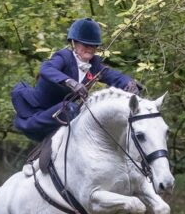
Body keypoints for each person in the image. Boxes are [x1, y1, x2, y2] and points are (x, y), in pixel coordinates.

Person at [11, 18, 141, 142]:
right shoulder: (63, 56)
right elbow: (46, 68)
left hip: (63, 114)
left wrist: (129, 83)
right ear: (74, 43)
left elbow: (115, 76)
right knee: (73, 109)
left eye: (94, 45)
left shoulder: (95, 65)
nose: (90, 48)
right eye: (86, 44)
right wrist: (70, 82)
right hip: (41, 113)